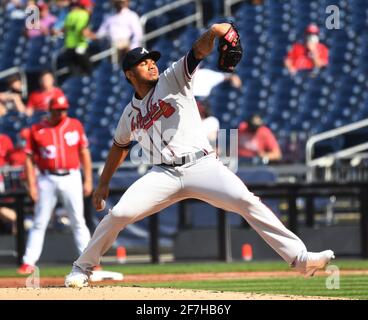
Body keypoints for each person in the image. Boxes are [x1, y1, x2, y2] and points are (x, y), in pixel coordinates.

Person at [64, 22, 334, 288]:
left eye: (152, 60)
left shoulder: (172, 79)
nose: (151, 64)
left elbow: (198, 52)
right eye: (143, 62)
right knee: (119, 214)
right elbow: (118, 147)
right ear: (129, 74)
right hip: (163, 174)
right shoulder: (129, 115)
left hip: (202, 164)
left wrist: (215, 33)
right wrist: (103, 183)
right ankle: (81, 268)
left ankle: (300, 259)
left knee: (245, 200)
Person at [17, 91, 92, 274]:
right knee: (39, 221)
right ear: (49, 109)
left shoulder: (74, 125)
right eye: (57, 110)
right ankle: (28, 262)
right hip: (46, 177)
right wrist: (32, 184)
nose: (61, 113)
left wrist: (88, 179)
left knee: (78, 221)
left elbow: (84, 153)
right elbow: (28, 159)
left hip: (71, 176)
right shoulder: (37, 129)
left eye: (64, 109)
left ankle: (89, 261)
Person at [60, 0, 94, 76]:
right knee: (89, 72)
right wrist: (94, 37)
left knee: (74, 74)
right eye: (89, 6)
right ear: (85, 6)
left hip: (69, 46)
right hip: (80, 45)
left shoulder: (70, 14)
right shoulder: (85, 14)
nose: (91, 8)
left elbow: (64, 30)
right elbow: (82, 31)